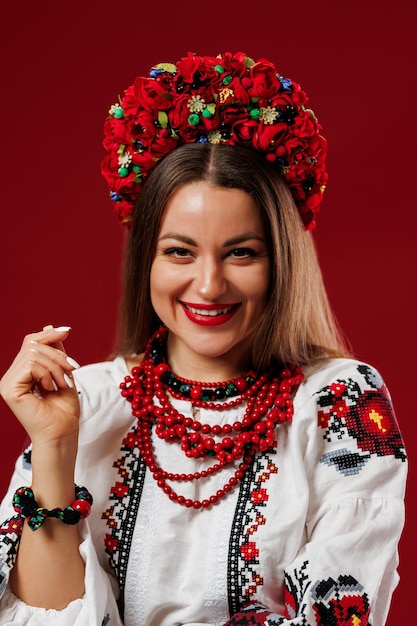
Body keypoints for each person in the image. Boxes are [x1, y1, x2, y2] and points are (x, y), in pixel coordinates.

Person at [0, 51, 407, 626]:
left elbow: (339, 614)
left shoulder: (339, 402)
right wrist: (55, 446)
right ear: (147, 260)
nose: (209, 284)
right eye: (179, 252)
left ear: (281, 262)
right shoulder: (86, 399)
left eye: (242, 252)